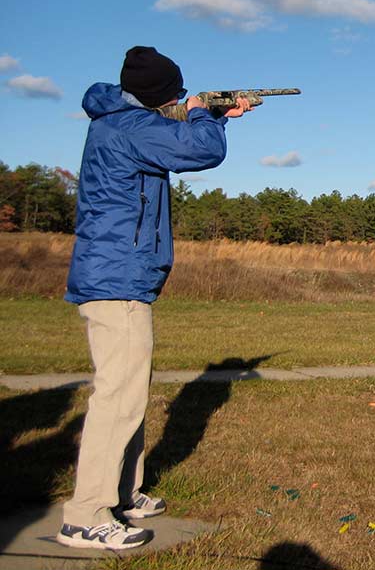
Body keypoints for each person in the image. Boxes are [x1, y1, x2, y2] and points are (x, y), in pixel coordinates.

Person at [57, 46, 251, 551]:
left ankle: (122, 492)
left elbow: (187, 142)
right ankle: (85, 515)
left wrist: (213, 116)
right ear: (158, 96)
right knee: (118, 396)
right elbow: (200, 151)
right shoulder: (130, 127)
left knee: (129, 392)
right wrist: (203, 113)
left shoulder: (123, 122)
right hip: (116, 278)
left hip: (122, 274)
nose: (182, 100)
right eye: (176, 94)